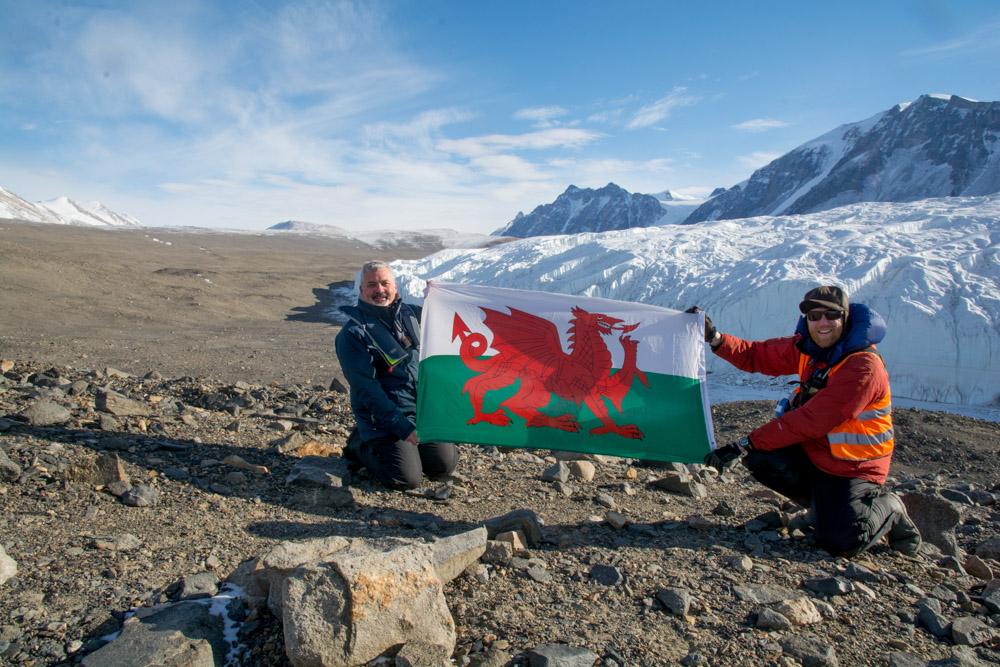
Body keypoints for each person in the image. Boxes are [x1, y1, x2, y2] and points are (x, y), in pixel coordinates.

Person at [692, 286, 921, 558]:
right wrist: (715, 338)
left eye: (831, 315)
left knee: (841, 542)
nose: (822, 322)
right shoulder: (808, 349)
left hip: (853, 466)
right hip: (816, 453)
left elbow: (814, 419)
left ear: (844, 318)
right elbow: (757, 355)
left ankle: (890, 507)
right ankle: (825, 511)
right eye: (814, 315)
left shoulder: (863, 366)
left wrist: (744, 443)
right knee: (761, 458)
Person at [335, 261, 459, 490]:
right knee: (406, 479)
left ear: (395, 288)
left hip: (420, 413)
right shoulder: (352, 334)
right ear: (362, 291)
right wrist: (401, 427)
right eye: (372, 285)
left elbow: (451, 320)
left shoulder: (413, 315)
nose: (379, 290)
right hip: (383, 419)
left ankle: (408, 447)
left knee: (444, 466)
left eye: (385, 283)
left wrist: (439, 296)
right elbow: (366, 389)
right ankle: (359, 443)